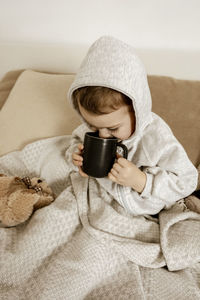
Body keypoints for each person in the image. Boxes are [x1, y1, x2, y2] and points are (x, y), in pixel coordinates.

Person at [65, 36, 198, 215]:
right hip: (96, 198)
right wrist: (76, 157)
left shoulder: (156, 137)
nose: (102, 135)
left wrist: (141, 181)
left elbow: (187, 180)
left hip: (138, 209)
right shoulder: (92, 129)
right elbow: (75, 140)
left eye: (113, 129)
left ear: (137, 111)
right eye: (93, 126)